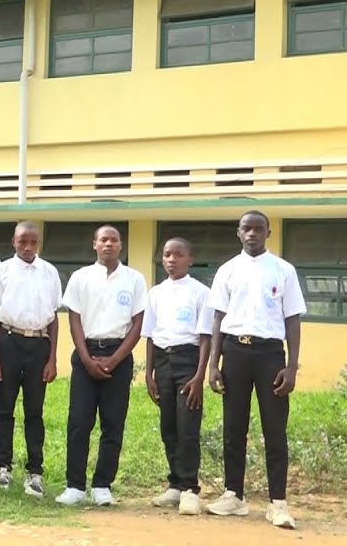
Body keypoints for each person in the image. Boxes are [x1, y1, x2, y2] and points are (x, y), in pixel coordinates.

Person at [206, 211, 304, 529]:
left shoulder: (284, 270)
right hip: (234, 352)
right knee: (233, 428)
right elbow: (218, 319)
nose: (252, 233)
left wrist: (291, 367)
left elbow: (292, 320)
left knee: (274, 430)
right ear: (238, 233)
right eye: (246, 228)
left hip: (270, 354)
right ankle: (234, 495)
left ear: (268, 232)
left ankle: (278, 503)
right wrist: (213, 364)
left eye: (258, 229)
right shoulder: (227, 270)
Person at [55, 226, 147, 507]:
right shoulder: (81, 277)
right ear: (94, 244)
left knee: (113, 424)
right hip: (86, 354)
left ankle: (102, 485)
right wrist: (85, 358)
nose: (109, 243)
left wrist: (114, 359)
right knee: (79, 422)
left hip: (118, 356)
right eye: (103, 239)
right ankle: (75, 486)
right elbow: (74, 319)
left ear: (122, 246)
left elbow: (138, 323)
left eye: (114, 240)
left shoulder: (134, 279)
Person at [0, 221, 60, 498]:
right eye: (22, 242)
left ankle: (34, 472)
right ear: (13, 242)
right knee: (4, 408)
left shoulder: (50, 272)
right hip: (8, 342)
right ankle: (2, 467)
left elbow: (53, 319)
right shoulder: (2, 270)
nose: (28, 247)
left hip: (39, 345)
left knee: (34, 411)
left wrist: (52, 358)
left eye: (33, 242)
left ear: (39, 243)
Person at [144, 237, 213, 516]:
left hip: (188, 360)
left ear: (190, 259)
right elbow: (149, 335)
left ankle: (189, 489)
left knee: (188, 426)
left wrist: (199, 375)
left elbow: (206, 337)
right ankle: (175, 484)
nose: (171, 260)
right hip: (162, 360)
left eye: (178, 255)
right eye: (167, 255)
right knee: (168, 426)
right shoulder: (156, 293)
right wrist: (149, 374)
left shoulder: (201, 292)